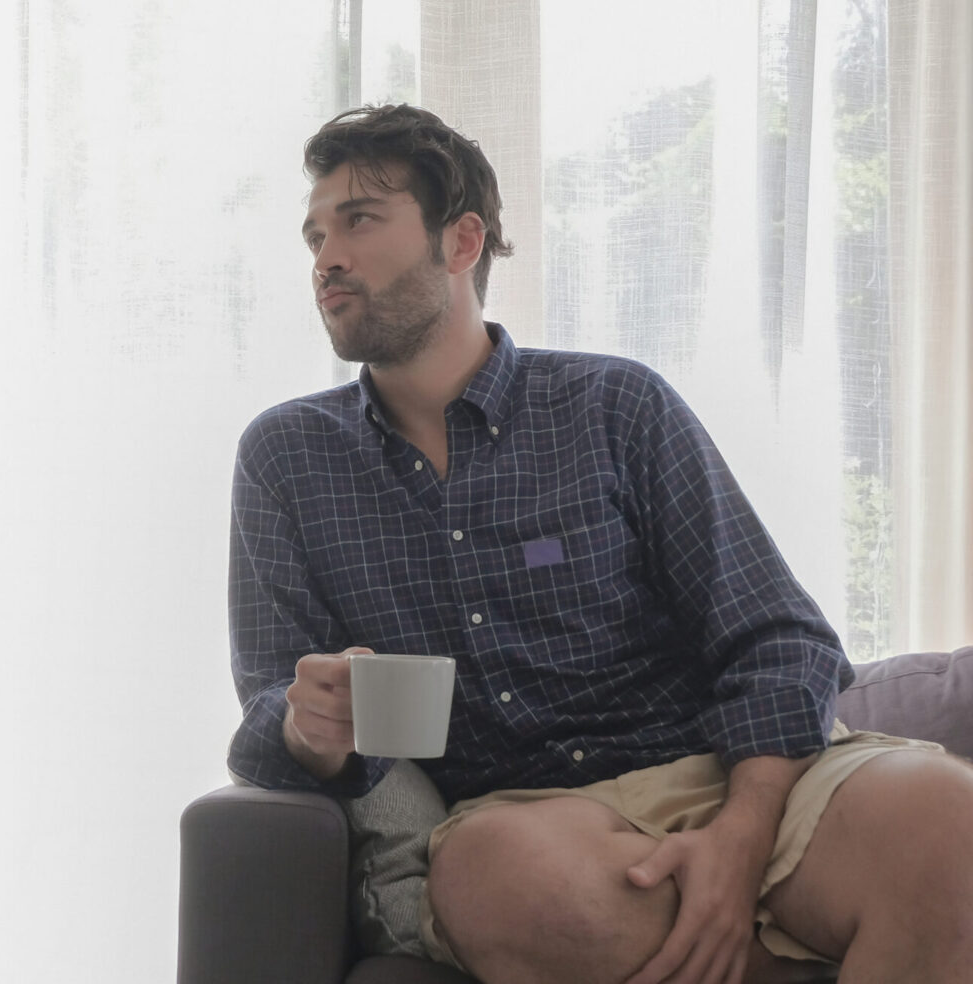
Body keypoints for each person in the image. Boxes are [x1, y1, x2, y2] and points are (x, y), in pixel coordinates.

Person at [228, 103, 973, 983]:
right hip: (533, 822)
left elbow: (779, 638)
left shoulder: (616, 406)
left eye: (359, 220)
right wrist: (309, 728)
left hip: (729, 773)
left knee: (945, 815)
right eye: (315, 235)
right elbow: (269, 705)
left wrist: (739, 838)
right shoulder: (287, 458)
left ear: (460, 242)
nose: (327, 258)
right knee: (494, 882)